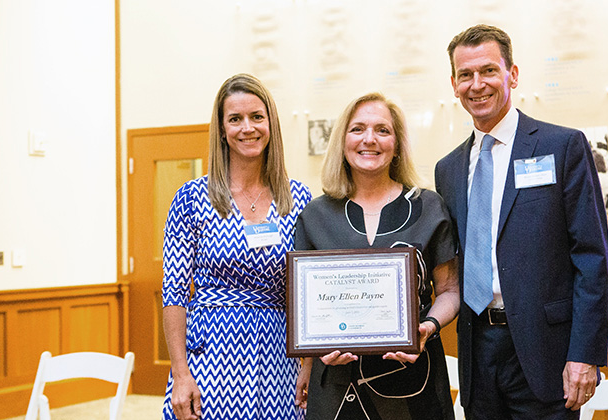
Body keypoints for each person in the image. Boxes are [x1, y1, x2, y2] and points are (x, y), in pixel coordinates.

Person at [434, 24, 608, 419]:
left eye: (488, 71)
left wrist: (585, 354)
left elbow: (592, 257)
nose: (477, 84)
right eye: (466, 75)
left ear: (512, 74)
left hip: (545, 354)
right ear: (454, 83)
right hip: (477, 353)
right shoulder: (447, 169)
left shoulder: (561, 147)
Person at [293, 92, 460, 420]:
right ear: (342, 141)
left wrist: (427, 327)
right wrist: (310, 356)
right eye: (357, 129)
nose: (369, 139)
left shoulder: (429, 208)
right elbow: (305, 307)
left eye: (383, 130)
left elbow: (451, 291)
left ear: (397, 144)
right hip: (336, 385)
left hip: (412, 380)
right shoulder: (315, 215)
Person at [161, 73, 311, 420]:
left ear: (270, 123)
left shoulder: (299, 199)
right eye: (235, 119)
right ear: (222, 129)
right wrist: (180, 374)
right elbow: (173, 294)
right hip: (211, 359)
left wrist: (308, 364)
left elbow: (306, 294)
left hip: (279, 358)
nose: (248, 128)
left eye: (257, 117)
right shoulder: (192, 199)